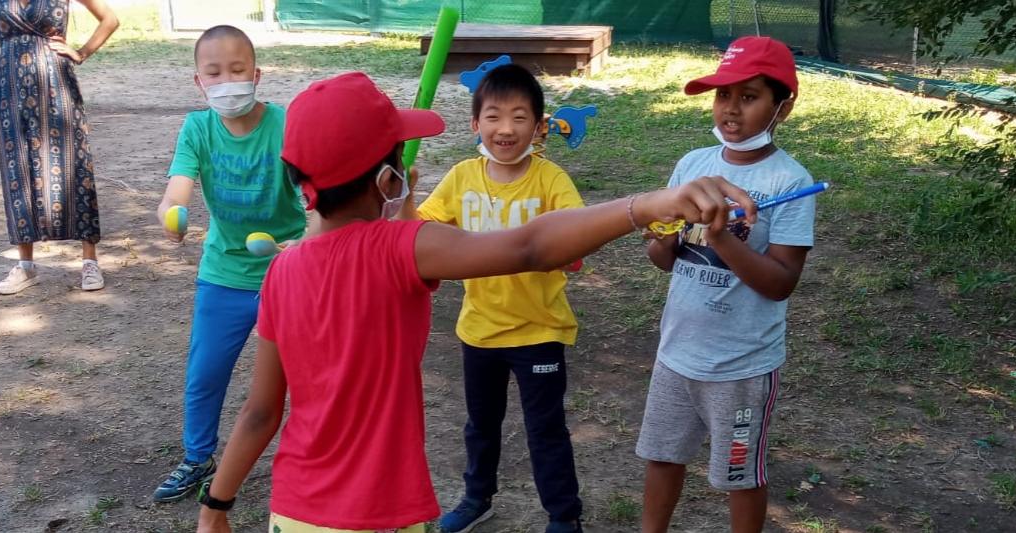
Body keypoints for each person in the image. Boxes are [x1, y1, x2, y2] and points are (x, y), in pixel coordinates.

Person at [192, 71, 757, 533]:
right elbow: (531, 244)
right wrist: (654, 201)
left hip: (293, 513)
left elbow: (261, 412)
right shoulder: (402, 247)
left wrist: (215, 508)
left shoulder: (282, 270)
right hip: (377, 515)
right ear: (387, 176)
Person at [637, 36, 817, 533]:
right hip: (676, 353)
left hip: (742, 365)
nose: (730, 111)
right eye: (722, 96)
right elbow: (664, 259)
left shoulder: (789, 182)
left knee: (739, 474)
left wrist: (724, 238)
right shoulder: (692, 166)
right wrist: (661, 238)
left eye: (749, 96)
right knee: (661, 455)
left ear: (784, 106)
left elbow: (780, 283)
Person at [406, 64, 586, 533]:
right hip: (479, 329)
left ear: (539, 125)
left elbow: (578, 233)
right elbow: (418, 230)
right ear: (475, 124)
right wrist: (403, 198)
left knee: (545, 429)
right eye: (493, 116)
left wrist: (570, 251)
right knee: (481, 424)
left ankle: (564, 518)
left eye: (520, 117)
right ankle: (477, 497)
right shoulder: (463, 176)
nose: (506, 128)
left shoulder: (550, 180)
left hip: (539, 330)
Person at [149, 25, 308, 503]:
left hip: (291, 270)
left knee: (305, 376)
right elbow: (177, 189)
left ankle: (304, 462)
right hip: (224, 273)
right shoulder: (197, 128)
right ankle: (198, 458)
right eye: (214, 73)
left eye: (237, 70)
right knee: (205, 373)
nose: (226, 81)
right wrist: (171, 217)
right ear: (199, 81)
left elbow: (312, 195)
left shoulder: (285, 124)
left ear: (256, 74)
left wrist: (305, 248)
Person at [0, 0, 118, 294]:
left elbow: (109, 19)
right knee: (18, 168)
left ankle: (89, 261)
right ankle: (25, 266)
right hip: (9, 86)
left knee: (73, 163)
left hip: (56, 83)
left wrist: (81, 53)